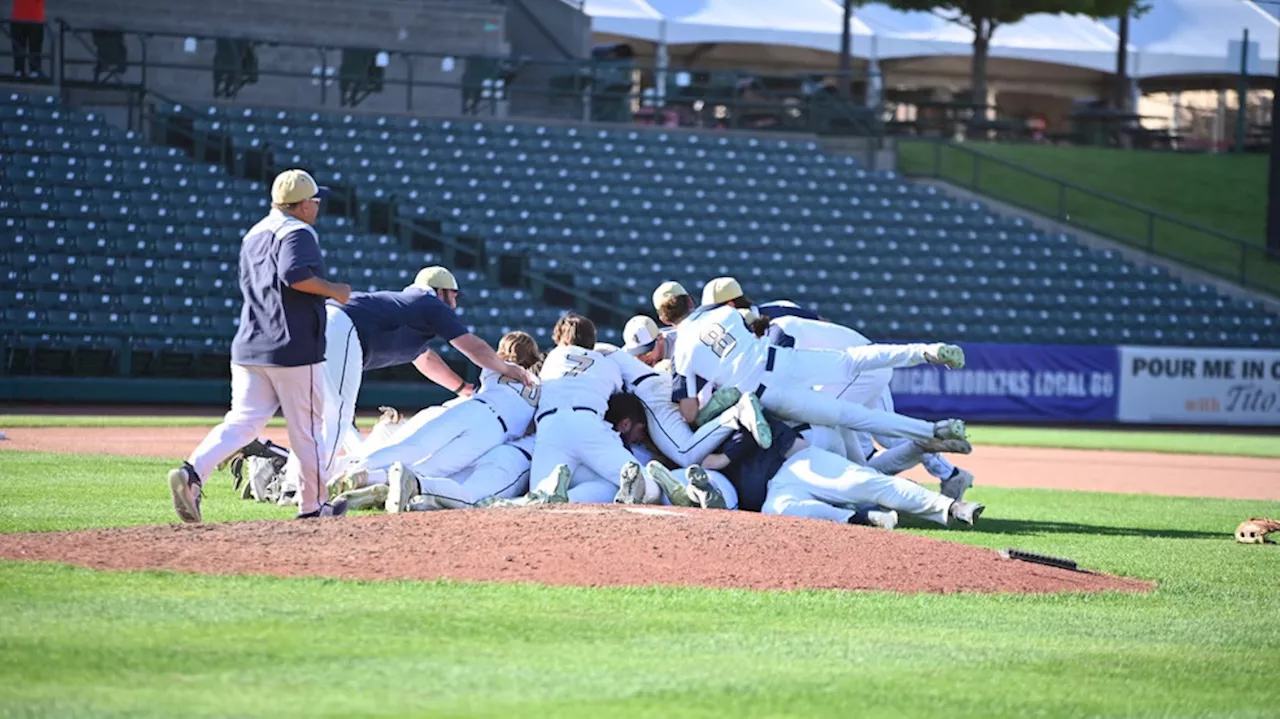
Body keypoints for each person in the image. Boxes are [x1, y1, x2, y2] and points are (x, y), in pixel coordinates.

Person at [168, 169, 351, 522]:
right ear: (300, 206)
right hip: (293, 347)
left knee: (242, 424)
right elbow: (294, 275)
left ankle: (192, 473)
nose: (317, 206)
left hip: (251, 345)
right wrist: (334, 290)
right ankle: (313, 508)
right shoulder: (298, 231)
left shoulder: (253, 234)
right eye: (314, 200)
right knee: (308, 430)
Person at [264, 265, 537, 499]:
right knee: (337, 417)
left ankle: (290, 482)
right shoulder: (429, 302)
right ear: (441, 290)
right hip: (340, 325)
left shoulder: (411, 312)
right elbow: (471, 346)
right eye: (453, 295)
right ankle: (310, 488)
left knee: (320, 415)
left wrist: (463, 389)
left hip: (320, 323)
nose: (455, 301)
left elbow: (425, 360)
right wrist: (507, 369)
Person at [669, 276, 968, 445]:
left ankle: (932, 430)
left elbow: (689, 412)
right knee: (852, 360)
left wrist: (714, 404)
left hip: (767, 395)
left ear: (666, 320)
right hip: (782, 360)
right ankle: (926, 351)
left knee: (849, 416)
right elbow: (753, 319)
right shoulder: (724, 313)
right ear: (693, 304)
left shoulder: (681, 350)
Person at [338, 331, 543, 512]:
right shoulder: (539, 387)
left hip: (471, 408)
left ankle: (356, 471)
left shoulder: (494, 368)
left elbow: (487, 357)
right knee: (432, 469)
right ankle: (368, 479)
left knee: (414, 446)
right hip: (493, 432)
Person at [700, 417, 984, 529]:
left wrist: (725, 456)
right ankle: (863, 518)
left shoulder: (739, 416)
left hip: (798, 465)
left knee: (863, 482)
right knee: (778, 511)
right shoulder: (686, 449)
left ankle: (952, 507)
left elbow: (782, 437)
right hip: (774, 494)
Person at [525, 314, 662, 504]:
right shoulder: (607, 363)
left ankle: (558, 495)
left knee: (538, 499)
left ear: (563, 341)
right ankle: (572, 498)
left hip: (550, 427)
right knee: (643, 487)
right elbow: (619, 399)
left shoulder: (551, 358)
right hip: (587, 424)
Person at [615, 315, 770, 466]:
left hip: (677, 391)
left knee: (686, 453)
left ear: (660, 338)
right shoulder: (624, 356)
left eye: (647, 351)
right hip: (666, 388)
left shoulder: (681, 341)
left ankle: (736, 413)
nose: (644, 358)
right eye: (637, 355)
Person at [10, 0, 44, 79]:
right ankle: (32, 72)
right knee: (34, 46)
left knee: (23, 47)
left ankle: (21, 71)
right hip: (33, 17)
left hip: (23, 17)